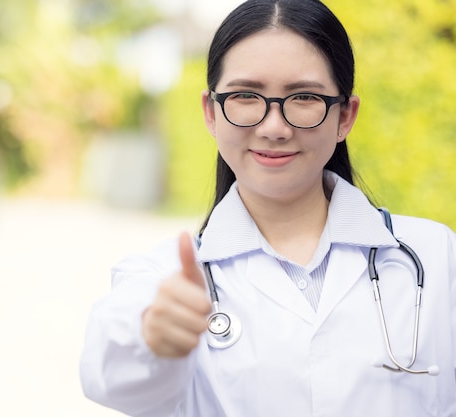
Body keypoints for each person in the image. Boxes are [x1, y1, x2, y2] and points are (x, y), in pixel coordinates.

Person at [79, 0, 456, 415]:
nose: (274, 127)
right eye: (245, 95)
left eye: (304, 97)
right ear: (210, 112)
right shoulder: (163, 279)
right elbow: (112, 378)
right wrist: (151, 339)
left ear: (345, 116)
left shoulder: (435, 256)